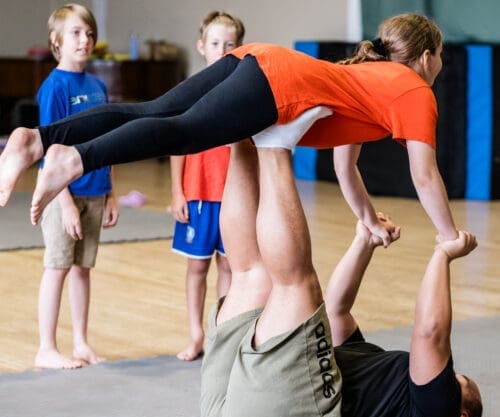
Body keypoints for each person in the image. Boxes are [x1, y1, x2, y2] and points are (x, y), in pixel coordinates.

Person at [0, 13, 457, 247]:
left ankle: (37, 138)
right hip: (278, 83)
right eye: (440, 56)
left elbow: (347, 167)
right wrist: (450, 235)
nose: (440, 65)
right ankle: (75, 156)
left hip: (259, 57)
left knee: (154, 111)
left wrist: (366, 217)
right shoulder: (414, 91)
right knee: (184, 131)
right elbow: (424, 175)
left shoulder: (373, 78)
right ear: (426, 56)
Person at [199, 140, 481, 417]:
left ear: (459, 414)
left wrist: (443, 254)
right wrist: (365, 243)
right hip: (230, 414)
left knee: (297, 286)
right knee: (251, 276)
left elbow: (431, 333)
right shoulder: (369, 365)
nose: (445, 373)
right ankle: (242, 139)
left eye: (454, 379)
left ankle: (274, 144)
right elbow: (337, 312)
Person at [35, 4, 118, 369]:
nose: (84, 40)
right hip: (63, 195)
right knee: (58, 267)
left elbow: (108, 140)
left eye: (88, 33)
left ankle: (81, 342)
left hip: (95, 191)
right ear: (56, 41)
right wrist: (65, 202)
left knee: (83, 268)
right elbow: (52, 152)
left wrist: (110, 190)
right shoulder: (54, 87)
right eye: (75, 33)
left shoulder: (98, 86)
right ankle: (46, 347)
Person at [171, 11, 244, 361]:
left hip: (234, 197)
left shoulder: (244, 92)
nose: (222, 50)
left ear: (239, 47)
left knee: (230, 267)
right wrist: (176, 191)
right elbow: (175, 143)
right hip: (199, 196)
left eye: (230, 44)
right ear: (202, 46)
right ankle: (196, 334)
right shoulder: (190, 92)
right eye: (215, 43)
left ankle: (221, 334)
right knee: (197, 266)